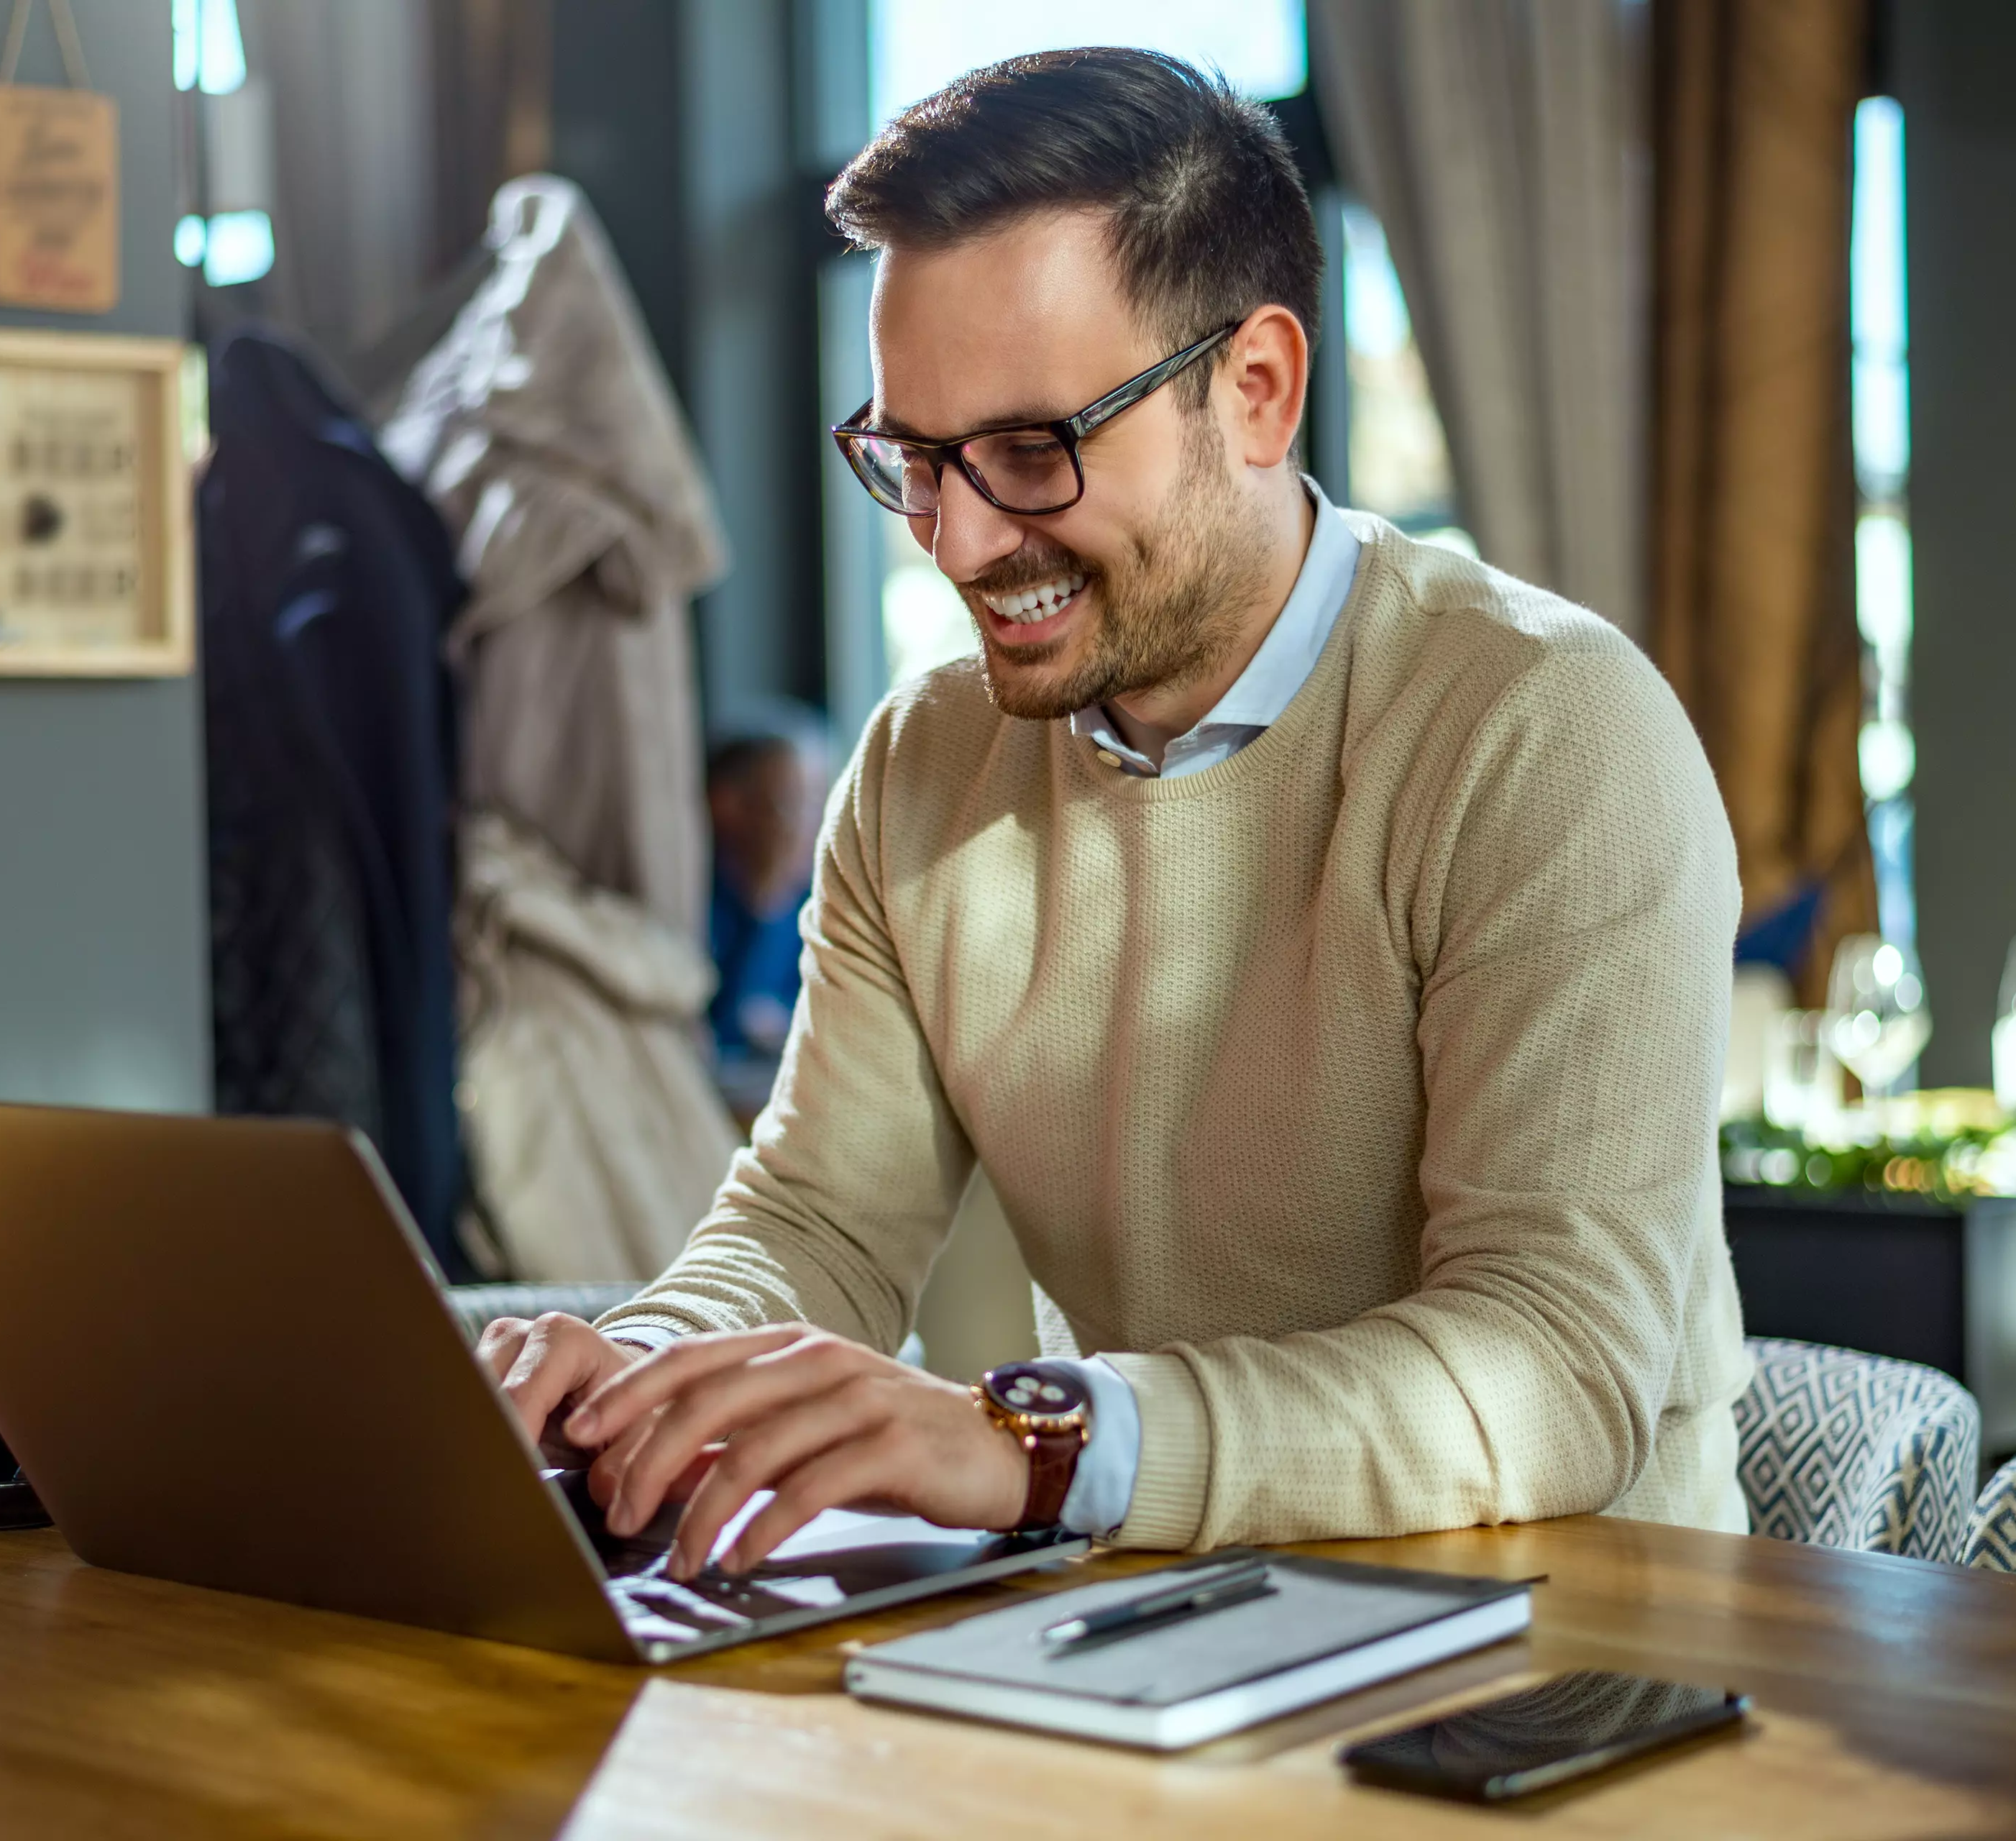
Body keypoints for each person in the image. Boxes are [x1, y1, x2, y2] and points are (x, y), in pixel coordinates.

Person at [478, 47, 1746, 1583]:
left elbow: (1556, 1367)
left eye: (1033, 451)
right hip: (1160, 1632)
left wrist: (1040, 1440)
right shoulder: (923, 764)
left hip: (1579, 1676)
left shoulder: (1543, 726)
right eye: (913, 458)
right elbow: (819, 1220)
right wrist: (643, 1365)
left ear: (1258, 388)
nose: (959, 537)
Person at [703, 725, 825, 1119]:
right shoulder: (692, 905)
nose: (819, 825)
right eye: (797, 803)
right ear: (730, 807)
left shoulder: (818, 911)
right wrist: (765, 899)